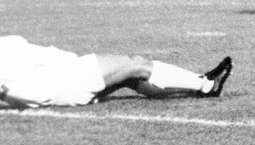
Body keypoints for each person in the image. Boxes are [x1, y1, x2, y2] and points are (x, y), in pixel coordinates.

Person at [0, 35, 232, 108]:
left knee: (133, 77)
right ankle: (206, 85)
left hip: (69, 72)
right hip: (68, 81)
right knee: (135, 64)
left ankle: (197, 88)